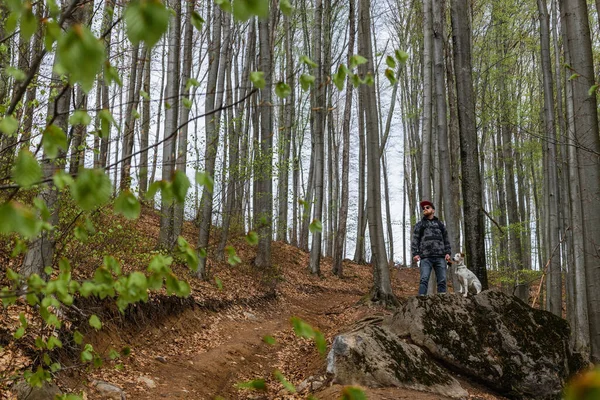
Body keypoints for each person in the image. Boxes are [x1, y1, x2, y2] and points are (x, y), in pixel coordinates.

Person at [411, 200, 451, 296]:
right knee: (424, 279)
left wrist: (448, 252)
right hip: (425, 257)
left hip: (440, 256)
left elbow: (446, 239)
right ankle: (421, 301)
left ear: (433, 210)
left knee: (442, 280)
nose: (425, 209)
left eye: (427, 207)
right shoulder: (420, 225)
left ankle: (442, 300)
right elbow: (415, 240)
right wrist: (415, 253)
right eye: (423, 208)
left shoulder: (440, 225)